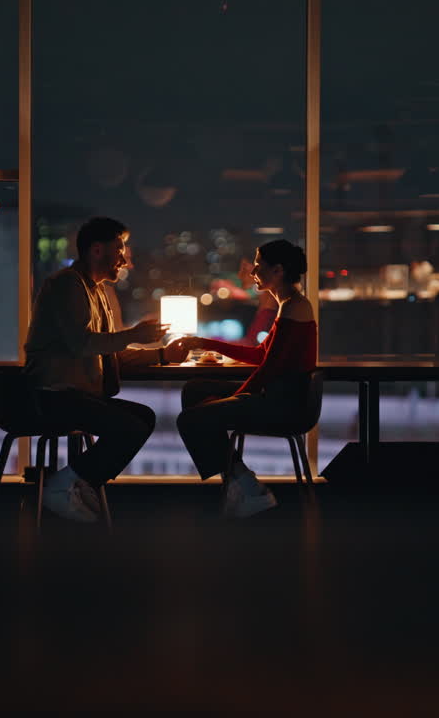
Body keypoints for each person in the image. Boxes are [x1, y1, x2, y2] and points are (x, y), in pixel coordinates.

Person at [24, 216, 169, 522]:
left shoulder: (97, 291)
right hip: (54, 395)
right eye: (119, 250)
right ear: (97, 250)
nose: (124, 260)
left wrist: (162, 354)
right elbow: (82, 343)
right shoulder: (67, 284)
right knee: (130, 427)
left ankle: (78, 482)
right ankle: (64, 485)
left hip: (77, 395)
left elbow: (107, 351)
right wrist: (134, 335)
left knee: (144, 417)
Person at [164, 239, 317, 518]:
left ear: (278, 271)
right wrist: (205, 343)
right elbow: (261, 355)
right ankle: (238, 481)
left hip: (283, 403)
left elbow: (269, 368)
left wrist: (236, 397)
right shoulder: (289, 305)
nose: (253, 272)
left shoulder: (294, 307)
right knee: (195, 390)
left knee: (189, 420)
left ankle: (246, 485)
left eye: (259, 265)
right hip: (279, 394)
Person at [237, 256, 278, 345]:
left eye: (244, 268)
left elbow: (253, 345)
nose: (239, 275)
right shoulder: (265, 304)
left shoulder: (271, 308)